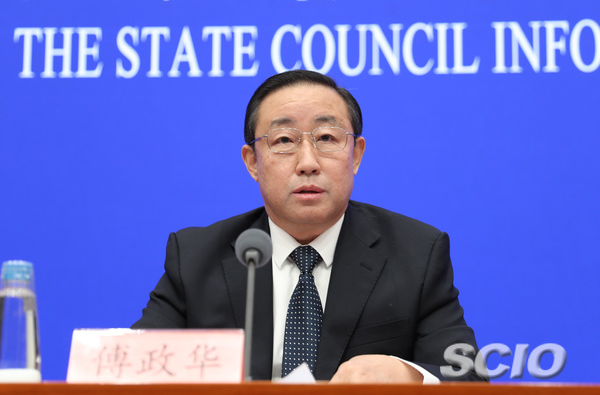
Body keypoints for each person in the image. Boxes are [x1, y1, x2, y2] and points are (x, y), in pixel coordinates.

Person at [132, 70, 485, 383]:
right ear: (252, 162)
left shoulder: (416, 253)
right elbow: (131, 370)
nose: (307, 162)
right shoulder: (196, 258)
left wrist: (408, 375)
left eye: (327, 138)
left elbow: (467, 375)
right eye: (284, 140)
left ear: (356, 155)